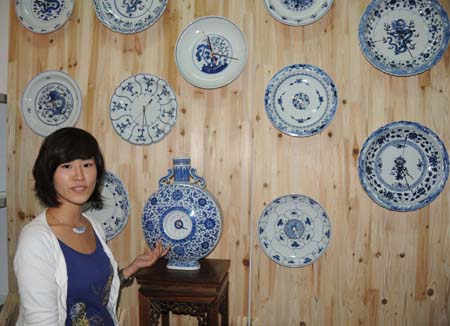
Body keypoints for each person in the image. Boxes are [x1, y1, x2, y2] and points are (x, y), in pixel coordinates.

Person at [14, 127, 169, 325]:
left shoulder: (93, 225)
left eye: (87, 164)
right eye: (67, 166)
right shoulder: (35, 240)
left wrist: (133, 267)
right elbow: (41, 320)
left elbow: (92, 293)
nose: (79, 175)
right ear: (49, 173)